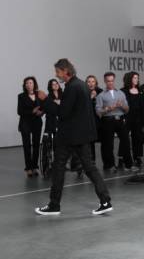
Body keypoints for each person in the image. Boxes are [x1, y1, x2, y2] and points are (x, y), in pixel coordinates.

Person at [34, 58, 112, 216]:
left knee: (58, 168)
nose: (57, 75)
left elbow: (63, 113)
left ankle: (54, 205)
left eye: (58, 72)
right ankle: (105, 201)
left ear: (65, 71)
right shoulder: (81, 84)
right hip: (81, 135)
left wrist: (45, 100)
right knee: (89, 168)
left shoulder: (72, 87)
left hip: (69, 136)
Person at [96, 72, 134, 172]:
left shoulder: (121, 93)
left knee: (126, 141)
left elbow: (127, 110)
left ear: (114, 80)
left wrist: (122, 106)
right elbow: (99, 112)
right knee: (108, 144)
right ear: (105, 81)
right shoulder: (101, 95)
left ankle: (129, 164)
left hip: (120, 120)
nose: (110, 83)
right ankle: (110, 165)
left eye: (112, 81)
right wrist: (108, 108)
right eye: (108, 81)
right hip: (107, 121)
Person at [17, 76, 43, 177]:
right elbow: (19, 111)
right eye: (27, 83)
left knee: (36, 145)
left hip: (37, 122)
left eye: (30, 83)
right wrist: (32, 111)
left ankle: (34, 167)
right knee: (27, 146)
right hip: (25, 123)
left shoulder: (39, 95)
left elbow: (44, 107)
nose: (29, 84)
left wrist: (41, 112)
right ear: (25, 85)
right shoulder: (21, 96)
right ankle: (28, 168)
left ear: (34, 84)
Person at [122, 72, 144, 167]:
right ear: (129, 79)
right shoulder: (123, 91)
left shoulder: (140, 90)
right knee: (125, 139)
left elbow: (143, 106)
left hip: (138, 118)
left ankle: (138, 157)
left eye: (137, 78)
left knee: (138, 138)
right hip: (127, 118)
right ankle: (124, 158)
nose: (137, 79)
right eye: (135, 78)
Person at [86, 75, 103, 161]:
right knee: (90, 142)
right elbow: (83, 106)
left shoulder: (101, 92)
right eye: (89, 81)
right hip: (89, 121)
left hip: (100, 120)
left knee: (104, 141)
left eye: (93, 81)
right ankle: (92, 160)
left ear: (96, 83)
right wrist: (91, 97)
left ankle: (107, 162)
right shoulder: (84, 92)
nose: (91, 83)